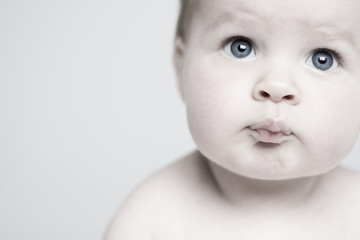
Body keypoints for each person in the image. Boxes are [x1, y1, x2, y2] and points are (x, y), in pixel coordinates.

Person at [104, 0, 360, 238]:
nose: (277, 86)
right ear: (181, 68)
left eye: (323, 59)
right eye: (241, 47)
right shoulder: (149, 222)